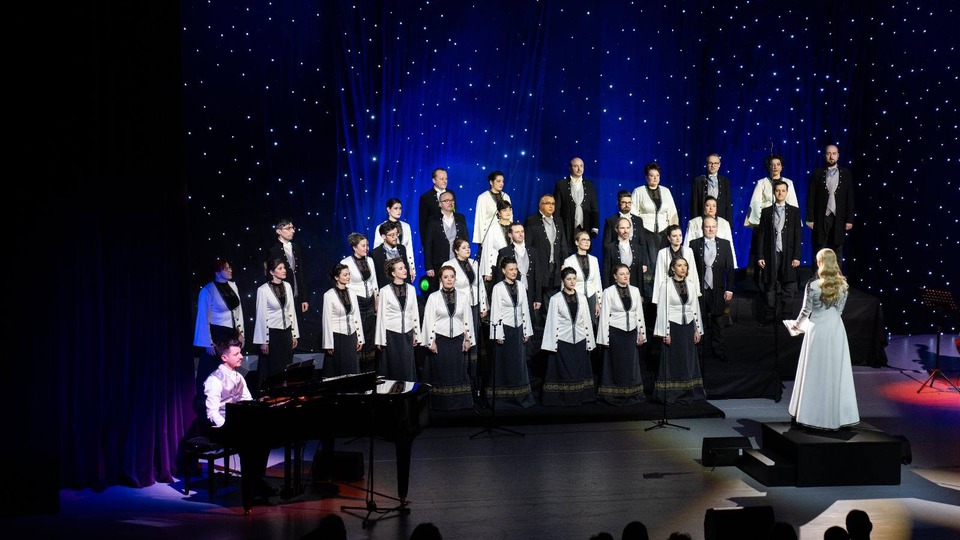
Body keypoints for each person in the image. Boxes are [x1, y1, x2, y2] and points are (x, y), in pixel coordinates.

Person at [788, 248, 859, 431]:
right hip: (835, 330)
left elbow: (806, 311)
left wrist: (795, 325)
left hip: (817, 330)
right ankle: (838, 415)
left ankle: (811, 414)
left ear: (820, 263)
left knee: (815, 371)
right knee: (835, 371)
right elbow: (839, 311)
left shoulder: (813, 285)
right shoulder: (843, 285)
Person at [203, 338, 275, 513]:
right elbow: (212, 413)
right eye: (236, 354)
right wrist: (229, 426)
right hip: (221, 428)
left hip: (239, 425)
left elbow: (247, 401)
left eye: (240, 353)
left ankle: (256, 481)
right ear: (224, 358)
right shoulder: (214, 380)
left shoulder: (239, 376)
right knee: (251, 445)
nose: (241, 356)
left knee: (265, 439)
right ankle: (250, 491)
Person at [193, 259, 244, 413]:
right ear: (217, 272)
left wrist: (240, 332)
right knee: (212, 374)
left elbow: (237, 313)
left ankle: (230, 410)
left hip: (230, 335)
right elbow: (203, 317)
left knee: (230, 375)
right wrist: (208, 342)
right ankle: (209, 413)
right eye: (226, 268)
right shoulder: (208, 290)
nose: (230, 270)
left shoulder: (233, 286)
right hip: (216, 336)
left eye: (230, 267)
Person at [420, 265, 475, 410]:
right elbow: (428, 320)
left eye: (452, 277)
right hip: (441, 341)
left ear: (455, 279)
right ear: (440, 279)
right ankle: (441, 404)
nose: (449, 279)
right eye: (446, 277)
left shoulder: (463, 297)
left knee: (458, 373)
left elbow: (467, 319)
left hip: (458, 340)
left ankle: (460, 404)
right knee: (441, 373)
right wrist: (430, 341)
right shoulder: (434, 297)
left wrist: (468, 339)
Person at [541, 267, 597, 406]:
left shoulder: (582, 298)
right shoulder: (556, 299)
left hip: (580, 338)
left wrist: (589, 341)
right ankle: (561, 398)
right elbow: (551, 322)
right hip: (563, 339)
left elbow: (586, 320)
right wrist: (551, 343)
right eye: (569, 279)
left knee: (579, 369)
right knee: (563, 370)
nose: (572, 282)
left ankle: (581, 397)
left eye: (574, 279)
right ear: (563, 280)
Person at [654, 257, 706, 404]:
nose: (683, 268)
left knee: (687, 360)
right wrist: (665, 332)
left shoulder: (691, 284)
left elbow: (695, 308)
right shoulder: (666, 285)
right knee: (674, 361)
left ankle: (689, 392)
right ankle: (672, 394)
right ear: (673, 268)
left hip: (688, 327)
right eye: (679, 265)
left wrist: (697, 329)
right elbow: (662, 310)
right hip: (673, 327)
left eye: (685, 265)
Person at [487, 257, 536, 408]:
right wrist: (498, 334)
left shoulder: (521, 286)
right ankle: (502, 399)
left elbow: (525, 309)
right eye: (511, 269)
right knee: (504, 364)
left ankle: (520, 397)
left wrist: (526, 331)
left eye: (515, 269)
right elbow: (496, 311)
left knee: (518, 364)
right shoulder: (498, 288)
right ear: (504, 271)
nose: (514, 272)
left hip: (518, 329)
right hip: (505, 330)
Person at [596, 263, 646, 406]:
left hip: (631, 333)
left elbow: (639, 313)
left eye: (627, 273)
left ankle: (631, 393)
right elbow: (604, 316)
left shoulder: (635, 291)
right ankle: (613, 395)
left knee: (630, 365)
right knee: (616, 364)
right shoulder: (609, 292)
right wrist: (604, 339)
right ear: (615, 276)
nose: (625, 276)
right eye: (622, 274)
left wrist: (641, 333)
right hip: (616, 333)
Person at [745, 154, 799, 285]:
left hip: (784, 222)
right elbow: (755, 203)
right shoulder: (762, 182)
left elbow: (793, 203)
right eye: (772, 165)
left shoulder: (788, 183)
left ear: (782, 167)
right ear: (768, 167)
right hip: (766, 222)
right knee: (763, 254)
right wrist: (760, 223)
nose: (775, 167)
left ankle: (784, 282)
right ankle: (763, 284)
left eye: (778, 164)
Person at [689, 217, 736, 363]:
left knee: (718, 323)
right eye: (707, 227)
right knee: (699, 321)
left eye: (713, 227)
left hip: (718, 289)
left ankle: (719, 351)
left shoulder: (725, 244)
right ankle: (699, 352)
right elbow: (690, 268)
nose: (710, 229)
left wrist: (729, 289)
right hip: (700, 290)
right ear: (702, 228)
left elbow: (730, 268)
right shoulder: (694, 244)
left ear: (717, 228)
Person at [756, 180, 802, 324]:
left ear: (787, 192)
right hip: (771, 254)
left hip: (788, 254)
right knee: (770, 284)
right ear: (774, 192)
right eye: (777, 190)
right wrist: (760, 255)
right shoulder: (766, 211)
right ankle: (769, 316)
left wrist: (797, 256)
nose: (780, 193)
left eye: (783, 190)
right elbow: (761, 235)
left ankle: (786, 316)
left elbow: (797, 235)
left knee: (789, 285)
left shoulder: (794, 211)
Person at [444, 238, 487, 393]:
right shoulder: (449, 265)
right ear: (456, 250)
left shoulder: (474, 264)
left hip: (474, 307)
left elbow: (480, 286)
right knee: (462, 338)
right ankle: (461, 374)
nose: (468, 249)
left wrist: (483, 306)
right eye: (464, 247)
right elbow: (444, 288)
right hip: (459, 308)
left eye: (468, 247)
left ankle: (473, 378)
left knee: (474, 340)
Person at [253, 257, 300, 391]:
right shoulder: (263, 290)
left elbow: (291, 311)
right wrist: (264, 341)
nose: (284, 270)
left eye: (284, 267)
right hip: (273, 335)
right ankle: (272, 395)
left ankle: (286, 393)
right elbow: (261, 316)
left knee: (286, 366)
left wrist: (294, 334)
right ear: (272, 272)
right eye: (280, 268)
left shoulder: (288, 286)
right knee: (273, 368)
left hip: (286, 333)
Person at [807, 144, 855, 262]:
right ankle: (818, 273)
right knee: (819, 248)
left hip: (839, 217)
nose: (831, 156)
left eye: (834, 153)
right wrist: (809, 218)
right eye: (828, 153)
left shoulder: (846, 173)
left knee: (837, 249)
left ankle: (837, 274)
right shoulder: (818, 173)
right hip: (821, 217)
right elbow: (811, 197)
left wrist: (849, 219)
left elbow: (850, 198)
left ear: (838, 156)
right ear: (825, 156)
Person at [375, 257, 421, 381]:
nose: (404, 270)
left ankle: (408, 391)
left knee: (407, 367)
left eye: (404, 267)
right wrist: (380, 339)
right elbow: (381, 316)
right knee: (392, 367)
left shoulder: (411, 289)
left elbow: (414, 313)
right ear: (393, 273)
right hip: (391, 334)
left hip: (407, 333)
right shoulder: (385, 291)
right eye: (400, 268)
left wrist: (416, 334)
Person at [341, 233, 379, 371]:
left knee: (370, 335)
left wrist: (377, 303)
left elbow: (374, 283)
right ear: (354, 247)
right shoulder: (346, 263)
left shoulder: (370, 261)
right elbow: (344, 286)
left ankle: (369, 370)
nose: (366, 248)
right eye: (363, 246)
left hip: (370, 302)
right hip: (356, 302)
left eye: (367, 245)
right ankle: (356, 369)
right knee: (358, 334)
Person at [524, 193, 569, 311]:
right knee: (540, 302)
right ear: (540, 205)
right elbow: (528, 246)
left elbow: (563, 244)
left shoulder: (558, 221)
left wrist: (564, 262)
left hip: (555, 268)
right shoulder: (532, 221)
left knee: (553, 301)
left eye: (553, 203)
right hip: (540, 268)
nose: (551, 206)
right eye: (548, 203)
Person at [265, 218, 310, 332]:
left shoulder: (296, 247)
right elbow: (270, 275)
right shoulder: (273, 250)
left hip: (296, 292)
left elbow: (300, 273)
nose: (293, 231)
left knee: (297, 324)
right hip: (282, 292)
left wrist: (304, 298)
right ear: (279, 231)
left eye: (293, 228)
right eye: (289, 228)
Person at [422, 190, 469, 294]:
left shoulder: (460, 218)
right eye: (446, 201)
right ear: (440, 204)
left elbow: (465, 239)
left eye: (452, 200)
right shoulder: (432, 220)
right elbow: (428, 244)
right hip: (439, 262)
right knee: (439, 292)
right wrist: (428, 266)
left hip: (458, 261)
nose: (450, 202)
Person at [321, 263, 363, 377]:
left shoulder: (352, 293)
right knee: (339, 369)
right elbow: (327, 320)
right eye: (345, 275)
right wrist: (328, 343)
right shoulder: (329, 295)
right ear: (336, 277)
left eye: (349, 274)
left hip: (351, 336)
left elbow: (356, 316)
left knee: (352, 368)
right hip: (338, 336)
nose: (348, 277)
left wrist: (360, 338)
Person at [553, 156, 600, 251]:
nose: (579, 169)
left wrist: (595, 226)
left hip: (585, 225)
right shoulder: (561, 184)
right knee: (566, 251)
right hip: (567, 226)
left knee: (583, 252)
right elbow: (557, 208)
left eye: (581, 166)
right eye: (576, 166)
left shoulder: (589, 185)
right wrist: (557, 227)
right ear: (570, 168)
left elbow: (594, 208)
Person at [562, 231, 602, 332]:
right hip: (576, 296)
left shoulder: (594, 260)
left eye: (588, 240)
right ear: (577, 242)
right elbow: (565, 283)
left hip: (591, 296)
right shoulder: (569, 261)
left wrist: (599, 303)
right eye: (583, 240)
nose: (587, 242)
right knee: (579, 324)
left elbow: (597, 281)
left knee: (593, 325)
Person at [631, 161, 679, 246]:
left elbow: (672, 213)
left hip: (664, 232)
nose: (655, 178)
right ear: (646, 177)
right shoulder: (638, 191)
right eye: (652, 175)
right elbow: (633, 213)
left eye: (657, 175)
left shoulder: (666, 191)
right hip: (645, 231)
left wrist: (674, 231)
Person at [684, 196, 738, 268]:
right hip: (699, 261)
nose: (711, 208)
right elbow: (687, 244)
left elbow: (729, 244)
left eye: (714, 206)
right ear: (704, 207)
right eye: (708, 205)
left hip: (719, 261)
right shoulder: (694, 223)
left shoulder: (724, 223)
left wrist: (732, 264)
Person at [372, 197, 417, 280]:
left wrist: (411, 267)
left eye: (400, 208)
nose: (399, 211)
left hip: (403, 266)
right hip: (388, 268)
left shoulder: (406, 226)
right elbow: (377, 250)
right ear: (388, 209)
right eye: (395, 208)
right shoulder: (381, 227)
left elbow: (409, 248)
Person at [653, 225, 701, 299]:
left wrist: (696, 292)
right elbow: (659, 275)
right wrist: (658, 297)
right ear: (669, 238)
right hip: (669, 289)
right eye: (674, 236)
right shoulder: (662, 253)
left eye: (680, 235)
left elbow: (693, 272)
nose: (678, 238)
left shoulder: (688, 251)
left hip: (686, 287)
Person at [691, 153, 733, 223]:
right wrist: (695, 222)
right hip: (703, 220)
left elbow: (728, 204)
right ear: (706, 164)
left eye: (715, 163)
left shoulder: (725, 181)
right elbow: (694, 204)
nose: (713, 165)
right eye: (710, 163)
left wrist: (729, 224)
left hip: (720, 220)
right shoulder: (699, 181)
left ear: (719, 165)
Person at [472, 170, 512, 245]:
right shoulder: (483, 197)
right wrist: (481, 240)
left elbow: (510, 217)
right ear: (491, 182)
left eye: (503, 181)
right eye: (498, 181)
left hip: (505, 234)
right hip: (489, 235)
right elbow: (480, 219)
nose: (501, 184)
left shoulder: (506, 197)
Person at [418, 167, 454, 247]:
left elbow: (454, 212)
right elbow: (423, 223)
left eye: (446, 179)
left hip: (452, 238)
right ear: (434, 180)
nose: (445, 181)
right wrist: (426, 245)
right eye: (442, 179)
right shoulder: (426, 198)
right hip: (435, 241)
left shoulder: (451, 194)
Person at [370, 220, 412, 288]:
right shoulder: (376, 253)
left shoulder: (402, 248)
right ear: (383, 236)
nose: (395, 237)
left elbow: (406, 270)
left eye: (396, 234)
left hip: (403, 288)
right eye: (392, 235)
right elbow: (378, 277)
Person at [481, 200, 515, 282]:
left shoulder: (515, 226)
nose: (508, 212)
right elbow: (487, 250)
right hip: (497, 265)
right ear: (499, 213)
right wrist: (488, 272)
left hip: (513, 265)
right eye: (504, 210)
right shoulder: (492, 228)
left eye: (509, 209)